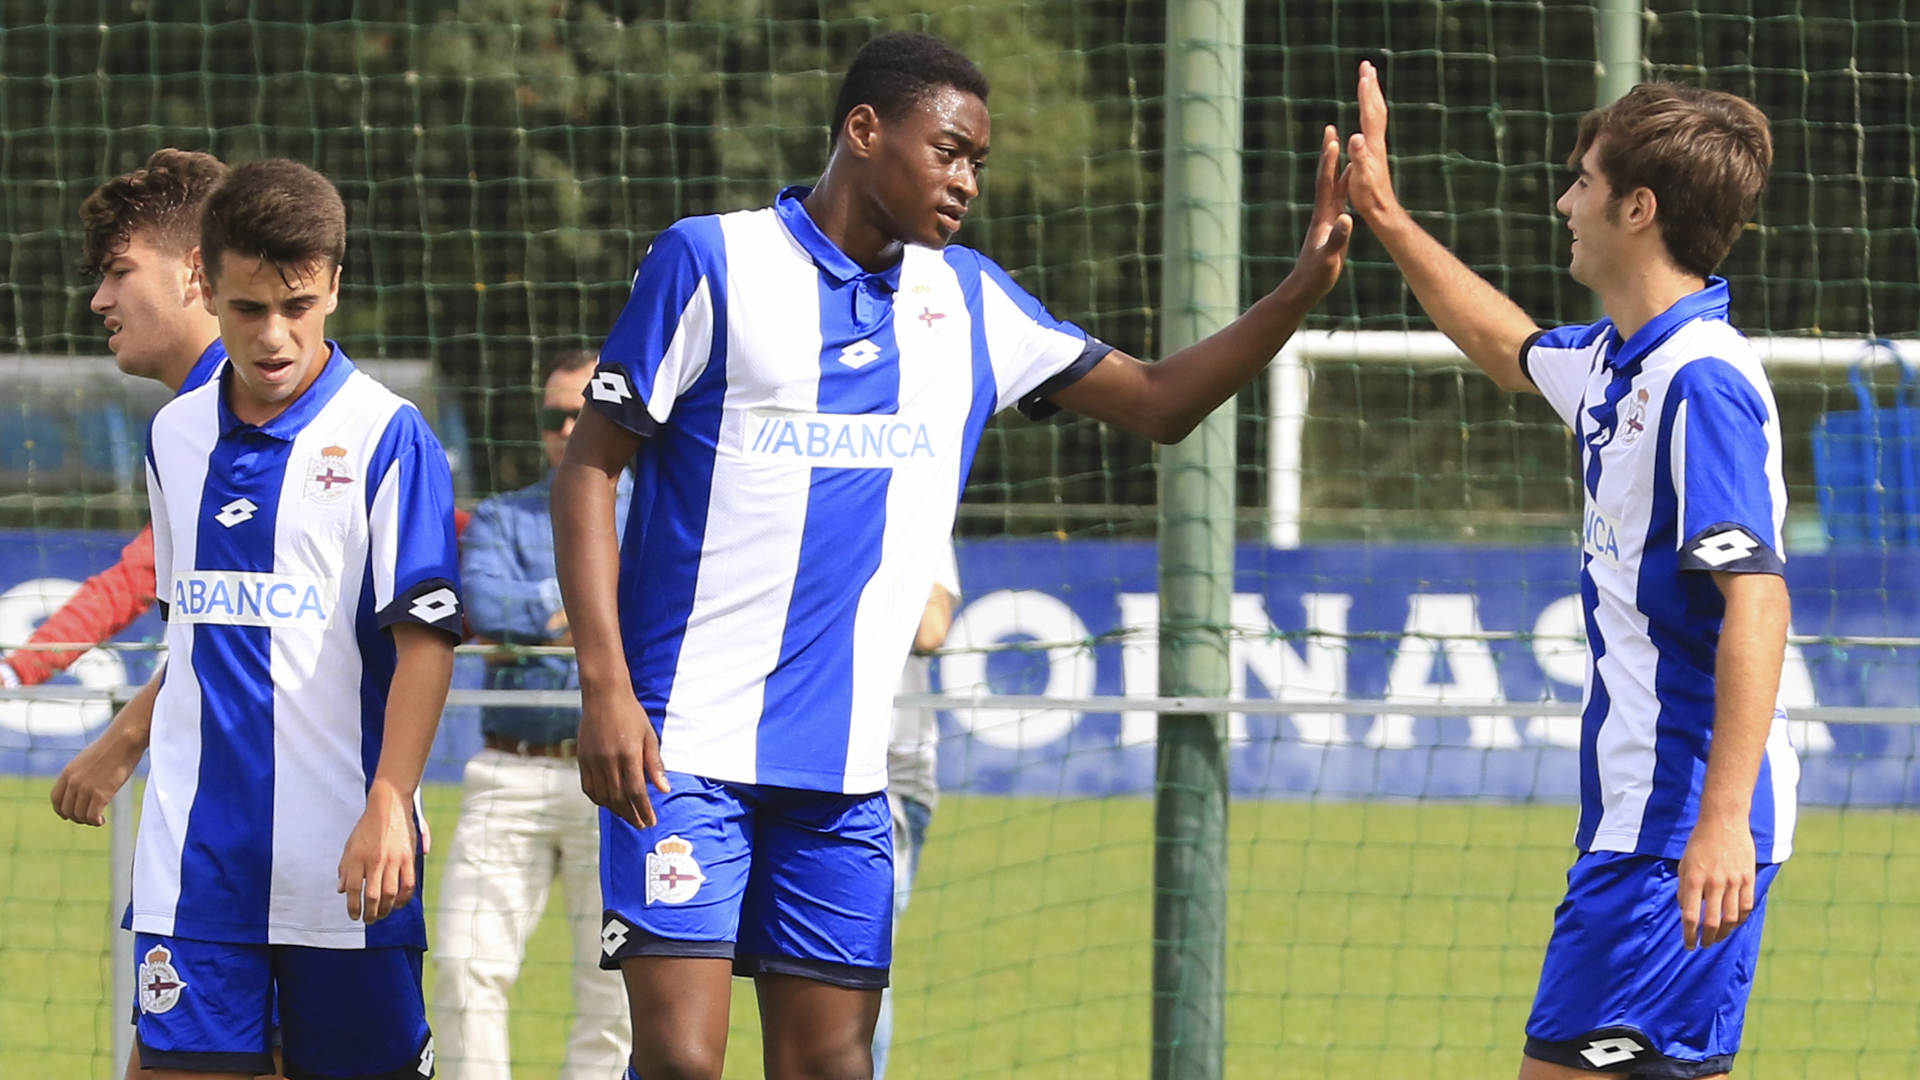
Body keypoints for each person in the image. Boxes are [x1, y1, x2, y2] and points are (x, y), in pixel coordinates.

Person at [552, 29, 1350, 1080]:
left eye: (978, 159)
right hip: (684, 750)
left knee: (834, 1068)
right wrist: (606, 688)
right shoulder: (716, 259)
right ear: (865, 129)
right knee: (684, 1062)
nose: (966, 179)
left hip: (843, 776)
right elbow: (588, 470)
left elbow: (1159, 404)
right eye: (949, 149)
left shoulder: (969, 302)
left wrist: (1299, 288)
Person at [1342, 62, 1794, 1080]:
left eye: (1583, 182)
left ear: (1640, 208)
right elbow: (1507, 345)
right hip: (1654, 832)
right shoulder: (1619, 361)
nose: (1564, 203)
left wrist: (1719, 823)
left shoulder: (1701, 379)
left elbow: (1757, 603)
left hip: (1670, 840)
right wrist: (1385, 214)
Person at [131, 158, 461, 1077]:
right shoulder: (172, 438)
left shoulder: (389, 437)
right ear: (205, 282)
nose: (275, 336)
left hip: (350, 866)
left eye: (299, 305)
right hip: (194, 869)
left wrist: (391, 797)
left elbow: (426, 642)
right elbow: (188, 639)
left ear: (334, 287)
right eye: (246, 310)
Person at [435, 348, 632, 1079]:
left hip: (619, 778)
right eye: (557, 416)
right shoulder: (502, 516)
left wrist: (541, 618)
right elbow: (486, 605)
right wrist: (591, 612)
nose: (571, 426)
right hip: (508, 769)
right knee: (461, 966)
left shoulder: (658, 512)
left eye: (587, 410)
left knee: (614, 991)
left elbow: (656, 616)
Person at [40, 149, 231, 832]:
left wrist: (122, 740)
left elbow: (243, 634)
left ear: (195, 274)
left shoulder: (247, 418)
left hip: (292, 822)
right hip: (210, 808)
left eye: (120, 272)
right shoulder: (181, 427)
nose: (99, 300)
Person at [870, 544, 958, 1080]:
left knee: (860, 957)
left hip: (893, 775)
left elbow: (930, 631)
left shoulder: (920, 498)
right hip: (794, 757)